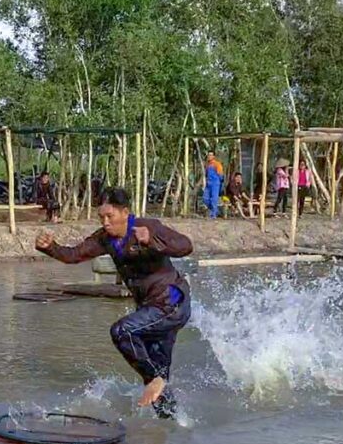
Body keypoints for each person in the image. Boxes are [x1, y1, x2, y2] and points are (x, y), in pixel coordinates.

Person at [35, 187, 193, 419]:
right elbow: (73, 255)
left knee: (122, 331)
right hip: (150, 311)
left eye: (110, 216)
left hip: (172, 303)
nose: (106, 222)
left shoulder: (147, 227)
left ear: (125, 212)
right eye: (102, 217)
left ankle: (156, 381)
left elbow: (185, 246)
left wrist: (152, 240)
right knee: (157, 384)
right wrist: (50, 248)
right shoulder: (105, 238)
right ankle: (173, 430)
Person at [203, 151, 224, 219]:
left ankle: (213, 215)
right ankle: (216, 211)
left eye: (211, 155)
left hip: (215, 184)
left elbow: (220, 175)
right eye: (208, 155)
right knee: (205, 199)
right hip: (208, 184)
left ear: (214, 156)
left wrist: (219, 183)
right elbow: (206, 175)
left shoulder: (217, 164)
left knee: (214, 200)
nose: (209, 156)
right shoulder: (207, 165)